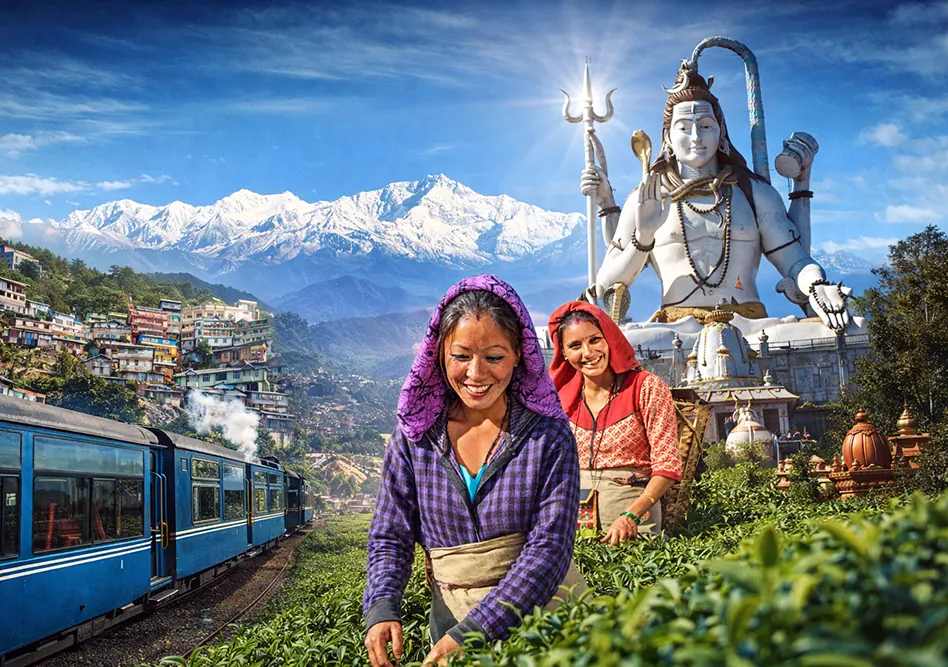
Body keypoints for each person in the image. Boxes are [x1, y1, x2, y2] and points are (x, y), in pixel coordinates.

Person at [363, 275, 583, 667]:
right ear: (440, 354)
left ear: (519, 354)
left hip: (544, 622)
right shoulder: (416, 438)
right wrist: (381, 607)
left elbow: (549, 549)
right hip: (450, 621)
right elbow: (390, 534)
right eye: (461, 356)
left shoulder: (548, 437)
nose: (476, 374)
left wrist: (476, 630)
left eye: (494, 357)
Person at [583, 60, 851, 330]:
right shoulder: (647, 197)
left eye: (706, 125)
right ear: (667, 137)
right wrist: (644, 236)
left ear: (721, 132)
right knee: (639, 341)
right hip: (678, 330)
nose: (696, 136)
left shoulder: (754, 192)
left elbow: (796, 261)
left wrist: (817, 285)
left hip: (750, 327)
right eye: (684, 127)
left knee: (842, 327)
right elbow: (606, 284)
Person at [548, 301, 682, 545]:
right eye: (575, 345)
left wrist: (631, 515)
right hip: (573, 524)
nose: (588, 353)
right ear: (564, 354)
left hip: (634, 519)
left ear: (609, 339)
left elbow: (668, 464)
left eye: (595, 340)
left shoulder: (646, 388)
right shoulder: (559, 399)